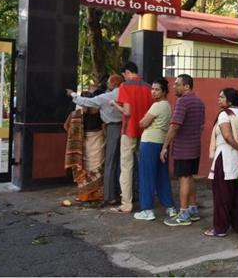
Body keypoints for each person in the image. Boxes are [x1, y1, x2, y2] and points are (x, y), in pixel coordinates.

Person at [67, 74, 124, 206]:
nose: (107, 85)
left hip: (107, 132)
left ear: (113, 84)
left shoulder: (104, 98)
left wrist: (73, 95)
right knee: (123, 164)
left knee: (109, 164)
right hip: (121, 130)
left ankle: (108, 196)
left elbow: (84, 104)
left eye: (109, 83)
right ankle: (120, 193)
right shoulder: (123, 95)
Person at [110, 62, 154, 213]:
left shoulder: (125, 86)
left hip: (129, 130)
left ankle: (126, 204)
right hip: (146, 131)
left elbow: (127, 112)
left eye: (124, 75)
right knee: (145, 166)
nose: (125, 78)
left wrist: (115, 105)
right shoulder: (149, 87)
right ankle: (146, 202)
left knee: (126, 167)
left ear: (127, 72)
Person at [205, 88, 238, 237]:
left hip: (224, 156)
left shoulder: (224, 115)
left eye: (222, 97)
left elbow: (228, 137)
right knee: (237, 193)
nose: (219, 100)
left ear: (229, 101)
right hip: (237, 159)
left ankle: (220, 227)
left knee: (221, 194)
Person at [162, 74, 206, 226]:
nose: (174, 87)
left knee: (184, 179)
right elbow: (201, 127)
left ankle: (183, 213)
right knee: (190, 177)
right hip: (194, 147)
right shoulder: (199, 102)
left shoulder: (182, 102)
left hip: (183, 148)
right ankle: (193, 210)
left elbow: (174, 126)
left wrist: (165, 146)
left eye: (178, 84)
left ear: (187, 86)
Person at [133, 78, 177, 220]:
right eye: (152, 89)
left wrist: (144, 120)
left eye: (157, 89)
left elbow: (142, 123)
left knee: (146, 176)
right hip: (161, 143)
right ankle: (170, 207)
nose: (153, 92)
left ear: (164, 92)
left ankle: (147, 210)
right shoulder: (168, 106)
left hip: (149, 142)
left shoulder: (156, 106)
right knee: (161, 176)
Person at [63, 92, 105, 202]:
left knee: (90, 167)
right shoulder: (99, 113)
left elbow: (66, 126)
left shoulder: (77, 114)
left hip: (89, 144)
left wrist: (76, 136)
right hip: (94, 142)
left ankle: (88, 195)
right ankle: (93, 195)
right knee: (93, 168)